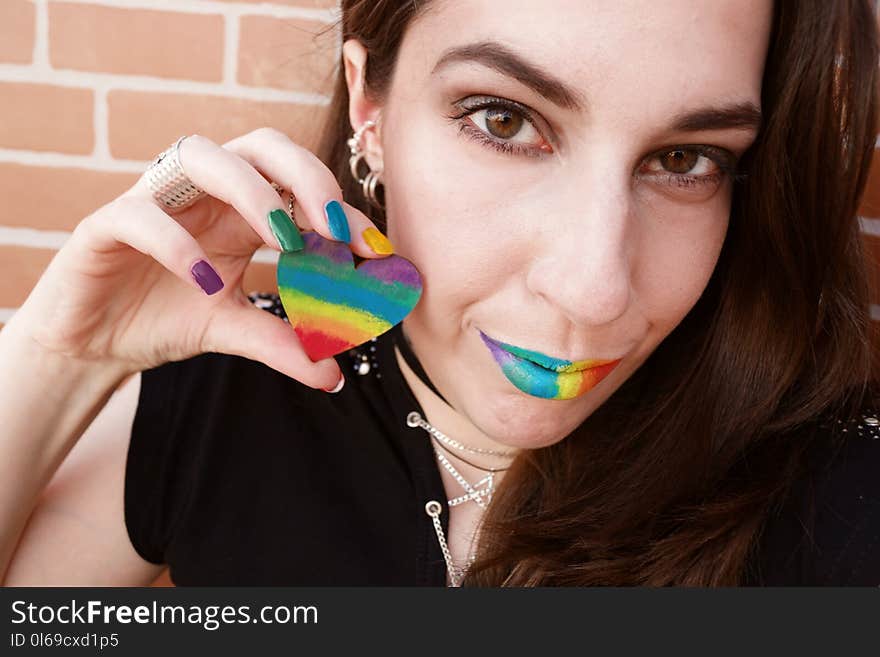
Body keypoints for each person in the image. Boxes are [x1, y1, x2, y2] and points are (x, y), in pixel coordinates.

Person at [1, 0, 879, 587]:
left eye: (688, 159)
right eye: (504, 119)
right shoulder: (219, 388)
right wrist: (53, 360)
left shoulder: (833, 495)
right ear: (368, 111)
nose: (594, 288)